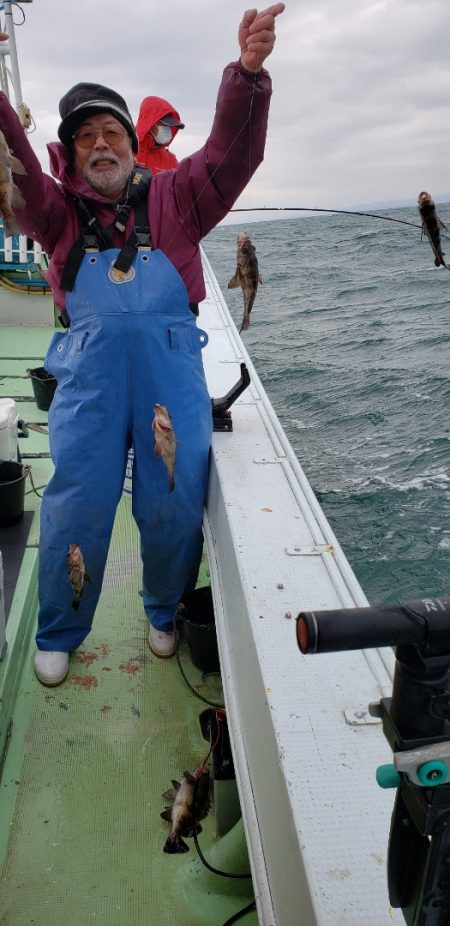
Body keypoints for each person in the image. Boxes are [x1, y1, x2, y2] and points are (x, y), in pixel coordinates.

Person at [0, 3, 285, 687]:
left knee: (172, 504)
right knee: (76, 503)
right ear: (71, 156)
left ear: (131, 142)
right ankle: (60, 629)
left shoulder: (180, 197)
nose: (100, 145)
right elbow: (16, 166)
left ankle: (163, 612)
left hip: (170, 381)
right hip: (89, 389)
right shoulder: (54, 213)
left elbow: (232, 154)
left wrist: (246, 77)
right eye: (84, 138)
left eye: (110, 132)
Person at [136, 96, 184, 174]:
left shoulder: (171, 160)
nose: (168, 130)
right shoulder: (129, 151)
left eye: (170, 126)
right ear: (150, 123)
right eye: (164, 125)